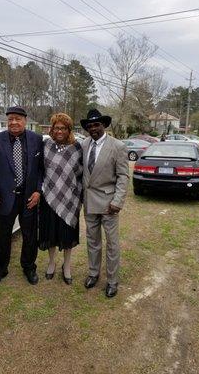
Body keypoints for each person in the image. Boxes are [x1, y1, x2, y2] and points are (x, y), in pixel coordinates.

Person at [0, 106, 43, 286]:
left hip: (29, 198)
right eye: (10, 119)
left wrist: (38, 191)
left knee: (30, 236)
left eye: (18, 118)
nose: (14, 122)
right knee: (3, 237)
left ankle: (29, 267)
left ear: (25, 121)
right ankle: (0, 269)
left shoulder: (36, 139)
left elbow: (42, 168)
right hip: (5, 198)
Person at [80, 109, 129, 298]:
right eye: (90, 125)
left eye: (96, 124)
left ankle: (112, 281)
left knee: (112, 244)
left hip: (109, 204)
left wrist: (118, 201)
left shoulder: (118, 146)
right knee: (93, 241)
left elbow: (123, 176)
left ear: (104, 125)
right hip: (89, 202)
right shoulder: (84, 144)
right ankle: (93, 273)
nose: (93, 128)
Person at [39, 113, 83, 285]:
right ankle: (51, 263)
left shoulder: (77, 148)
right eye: (56, 127)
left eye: (63, 128)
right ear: (52, 129)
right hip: (49, 197)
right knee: (50, 232)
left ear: (69, 130)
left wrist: (78, 195)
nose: (59, 131)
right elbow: (40, 170)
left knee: (67, 234)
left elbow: (80, 174)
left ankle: (67, 265)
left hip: (69, 199)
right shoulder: (46, 145)